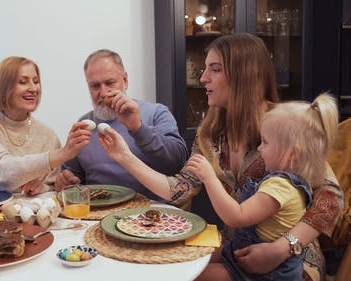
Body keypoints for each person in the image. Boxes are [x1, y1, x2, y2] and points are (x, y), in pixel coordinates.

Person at [97, 34, 343, 281]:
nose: (203, 78)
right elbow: (177, 190)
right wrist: (124, 156)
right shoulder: (208, 134)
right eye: (205, 69)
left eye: (214, 69)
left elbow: (331, 196)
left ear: (244, 75)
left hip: (290, 262)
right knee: (168, 267)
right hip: (237, 252)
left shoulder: (285, 125)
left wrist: (282, 247)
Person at [187, 93, 339, 280]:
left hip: (268, 271)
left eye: (264, 142)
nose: (203, 77)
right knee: (192, 260)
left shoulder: (280, 186)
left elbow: (236, 216)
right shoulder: (209, 132)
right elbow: (181, 184)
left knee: (196, 274)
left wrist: (210, 179)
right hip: (241, 249)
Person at [54, 49, 188, 201]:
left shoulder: (156, 113)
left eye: (110, 83)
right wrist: (66, 181)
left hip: (151, 213)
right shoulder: (84, 125)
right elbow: (73, 178)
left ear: (125, 80)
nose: (103, 93)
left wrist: (138, 127)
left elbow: (177, 162)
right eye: (95, 86)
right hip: (99, 214)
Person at [0, 56, 91, 195]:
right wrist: (63, 153)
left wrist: (44, 187)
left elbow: (51, 187)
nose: (33, 88)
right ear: (4, 87)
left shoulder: (48, 136)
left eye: (36, 82)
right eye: (23, 82)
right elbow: (1, 173)